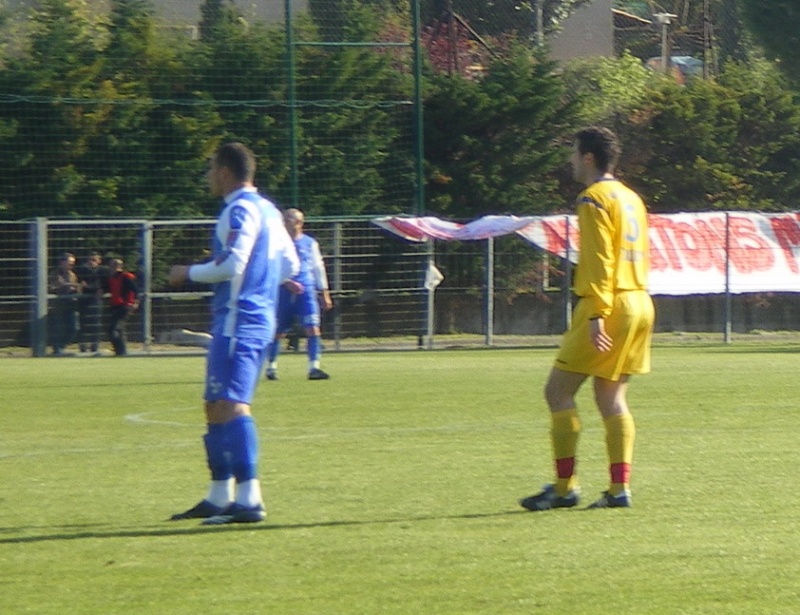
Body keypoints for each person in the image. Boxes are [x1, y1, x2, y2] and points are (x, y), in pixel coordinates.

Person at [520, 126, 654, 511]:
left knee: (557, 392)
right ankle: (618, 490)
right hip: (639, 300)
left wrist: (597, 313)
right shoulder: (631, 198)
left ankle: (564, 489)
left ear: (589, 158)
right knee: (611, 398)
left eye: (574, 153)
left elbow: (598, 259)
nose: (570, 160)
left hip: (608, 304)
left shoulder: (593, 198)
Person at [168, 142, 300, 525]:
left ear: (225, 172)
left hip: (239, 322)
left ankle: (249, 500)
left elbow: (231, 264)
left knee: (233, 403)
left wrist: (188, 272)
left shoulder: (239, 210)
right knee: (214, 404)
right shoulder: (269, 211)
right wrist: (265, 281)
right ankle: (219, 495)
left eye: (211, 169)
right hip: (246, 319)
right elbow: (290, 264)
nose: (208, 176)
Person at [265, 208, 334, 381]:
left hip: (306, 291)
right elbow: (270, 267)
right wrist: (286, 282)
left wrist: (324, 292)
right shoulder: (276, 243)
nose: (284, 222)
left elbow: (318, 267)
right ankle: (271, 367)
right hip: (282, 291)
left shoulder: (310, 243)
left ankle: (314, 368)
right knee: (277, 332)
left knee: (313, 329)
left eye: (288, 219)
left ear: (299, 223)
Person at [48, 252, 82, 356]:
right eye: (69, 263)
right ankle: (57, 349)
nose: (72, 266)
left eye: (73, 264)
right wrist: (70, 286)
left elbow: (77, 288)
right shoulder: (54, 274)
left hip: (70, 305)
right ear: (62, 262)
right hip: (58, 306)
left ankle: (61, 346)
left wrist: (76, 289)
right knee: (57, 329)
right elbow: (53, 287)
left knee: (74, 328)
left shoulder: (73, 275)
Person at [105, 258, 139, 356]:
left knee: (113, 329)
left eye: (112, 266)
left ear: (118, 267)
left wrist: (135, 302)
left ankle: (120, 350)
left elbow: (135, 290)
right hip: (116, 306)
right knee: (119, 329)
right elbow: (107, 288)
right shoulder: (112, 278)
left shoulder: (125, 277)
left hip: (125, 306)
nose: (110, 269)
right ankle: (122, 351)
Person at [76, 251, 105, 354]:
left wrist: (98, 288)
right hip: (84, 301)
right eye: (90, 260)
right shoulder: (83, 269)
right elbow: (82, 283)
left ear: (99, 261)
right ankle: (83, 346)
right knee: (83, 323)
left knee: (96, 324)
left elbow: (102, 285)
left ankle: (95, 345)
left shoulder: (102, 271)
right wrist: (90, 287)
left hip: (96, 301)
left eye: (94, 260)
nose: (91, 262)